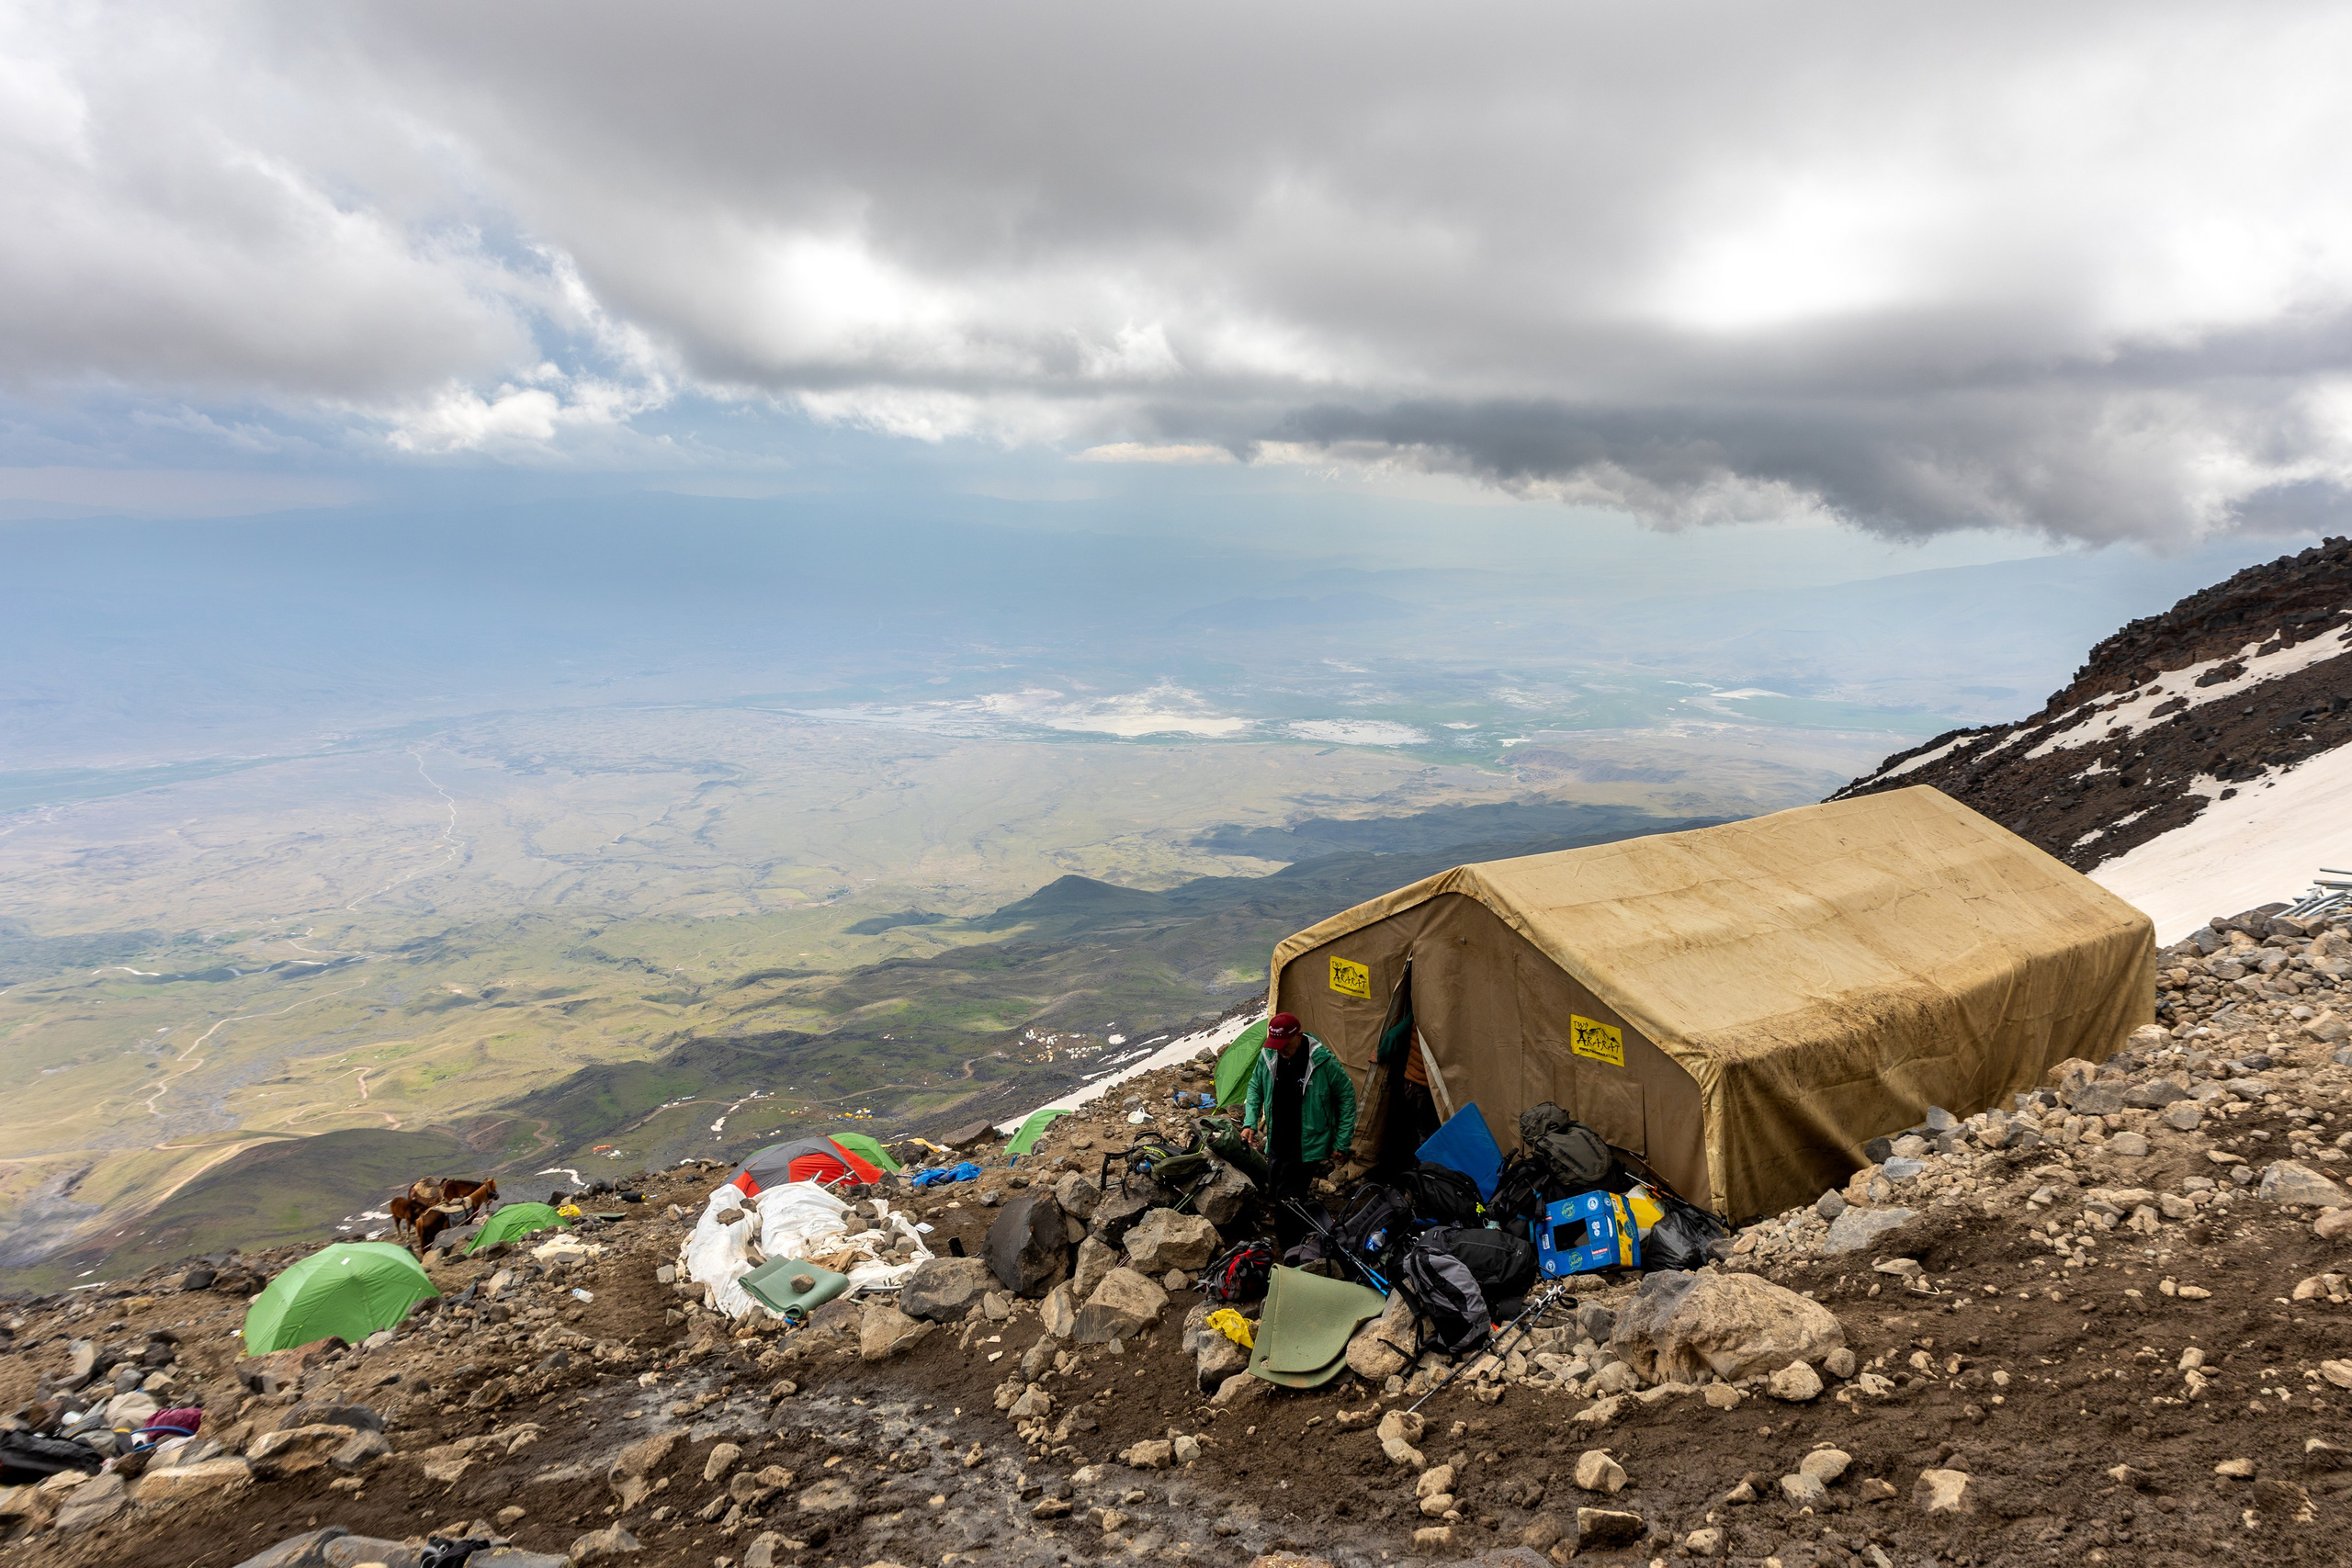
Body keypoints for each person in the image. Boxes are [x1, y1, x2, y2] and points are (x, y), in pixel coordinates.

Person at [1241, 1012, 1357, 1254]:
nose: (1280, 1050)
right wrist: (1250, 1121)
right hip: (1277, 1138)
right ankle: (1309, 1227)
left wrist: (1342, 1141)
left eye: (1285, 1045)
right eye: (1276, 1045)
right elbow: (1255, 1087)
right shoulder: (1269, 1056)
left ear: (1299, 1035)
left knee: (1287, 1198)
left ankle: (1290, 1251)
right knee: (1277, 1188)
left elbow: (1347, 1097)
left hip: (1308, 1143)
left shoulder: (1322, 1062)